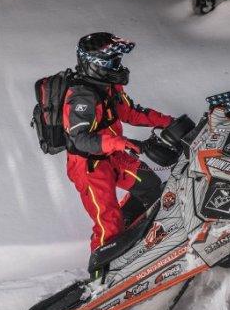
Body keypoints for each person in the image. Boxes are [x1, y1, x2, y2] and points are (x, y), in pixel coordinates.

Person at [62, 32, 174, 253]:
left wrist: (169, 122)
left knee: (150, 186)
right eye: (113, 62)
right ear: (97, 65)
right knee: (107, 224)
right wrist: (121, 143)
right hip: (89, 167)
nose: (118, 66)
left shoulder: (108, 87)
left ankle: (137, 238)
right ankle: (100, 278)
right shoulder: (81, 98)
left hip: (112, 155)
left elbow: (129, 113)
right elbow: (80, 139)